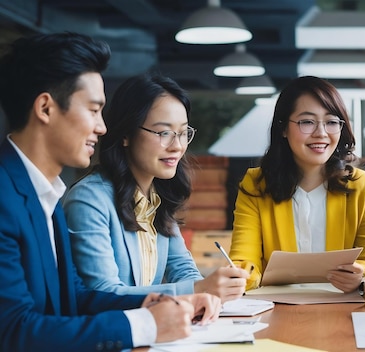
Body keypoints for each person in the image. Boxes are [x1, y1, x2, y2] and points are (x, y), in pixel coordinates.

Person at [0, 32, 220, 351]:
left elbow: (74, 297)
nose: (102, 127)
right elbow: (13, 330)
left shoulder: (44, 195)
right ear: (46, 108)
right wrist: (145, 325)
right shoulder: (6, 199)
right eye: (93, 110)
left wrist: (155, 302)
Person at [62, 72, 248, 302]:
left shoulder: (156, 196)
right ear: (126, 134)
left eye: (182, 133)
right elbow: (103, 294)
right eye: (164, 133)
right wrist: (199, 290)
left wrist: (207, 294)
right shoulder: (89, 200)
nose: (177, 146)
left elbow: (182, 269)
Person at [228, 75, 365, 292]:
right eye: (307, 122)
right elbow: (244, 260)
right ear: (283, 128)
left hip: (343, 311)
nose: (321, 133)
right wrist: (240, 276)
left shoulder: (362, 185)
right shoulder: (256, 184)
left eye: (331, 122)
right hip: (275, 311)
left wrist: (360, 274)